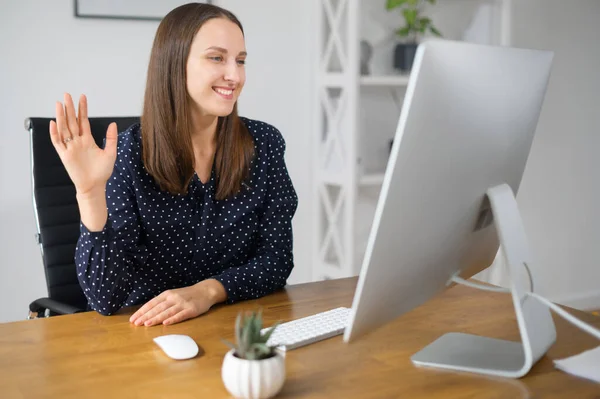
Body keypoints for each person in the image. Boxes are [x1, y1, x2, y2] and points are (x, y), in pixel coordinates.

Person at [48, 3, 298, 327]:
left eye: (241, 60)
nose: (235, 76)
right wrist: (89, 192)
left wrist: (208, 292)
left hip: (234, 329)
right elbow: (105, 300)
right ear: (174, 63)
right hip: (147, 338)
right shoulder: (128, 154)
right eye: (217, 58)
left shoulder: (263, 144)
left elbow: (277, 260)